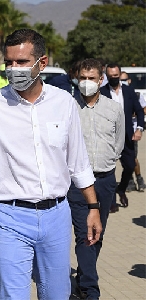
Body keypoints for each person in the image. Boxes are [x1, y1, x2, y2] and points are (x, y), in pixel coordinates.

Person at [0, 29, 102, 299]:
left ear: (42, 63)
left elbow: (78, 162)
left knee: (56, 294)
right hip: (8, 216)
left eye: (22, 62)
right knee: (13, 295)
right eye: (9, 62)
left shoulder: (64, 103)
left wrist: (93, 207)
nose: (14, 69)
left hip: (57, 216)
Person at [69, 58, 125, 299]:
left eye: (92, 78)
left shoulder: (114, 109)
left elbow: (119, 144)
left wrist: (108, 164)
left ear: (101, 80)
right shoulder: (69, 108)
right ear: (77, 78)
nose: (87, 83)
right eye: (83, 78)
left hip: (105, 181)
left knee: (97, 234)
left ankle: (82, 278)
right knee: (85, 234)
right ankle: (91, 290)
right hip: (77, 185)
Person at [100, 63, 144, 210]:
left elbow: (139, 111)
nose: (113, 78)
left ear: (120, 75)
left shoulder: (129, 91)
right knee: (110, 169)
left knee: (130, 165)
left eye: (116, 76)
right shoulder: (101, 92)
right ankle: (112, 201)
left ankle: (121, 189)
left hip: (127, 137)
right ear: (106, 76)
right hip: (108, 138)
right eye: (110, 76)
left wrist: (139, 129)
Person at [120, 71, 146, 192]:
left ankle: (139, 179)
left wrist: (131, 112)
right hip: (119, 132)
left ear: (129, 81)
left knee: (133, 158)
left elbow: (143, 109)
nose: (122, 82)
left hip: (132, 131)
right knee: (124, 159)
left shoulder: (136, 94)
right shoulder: (116, 94)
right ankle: (129, 181)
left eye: (124, 80)